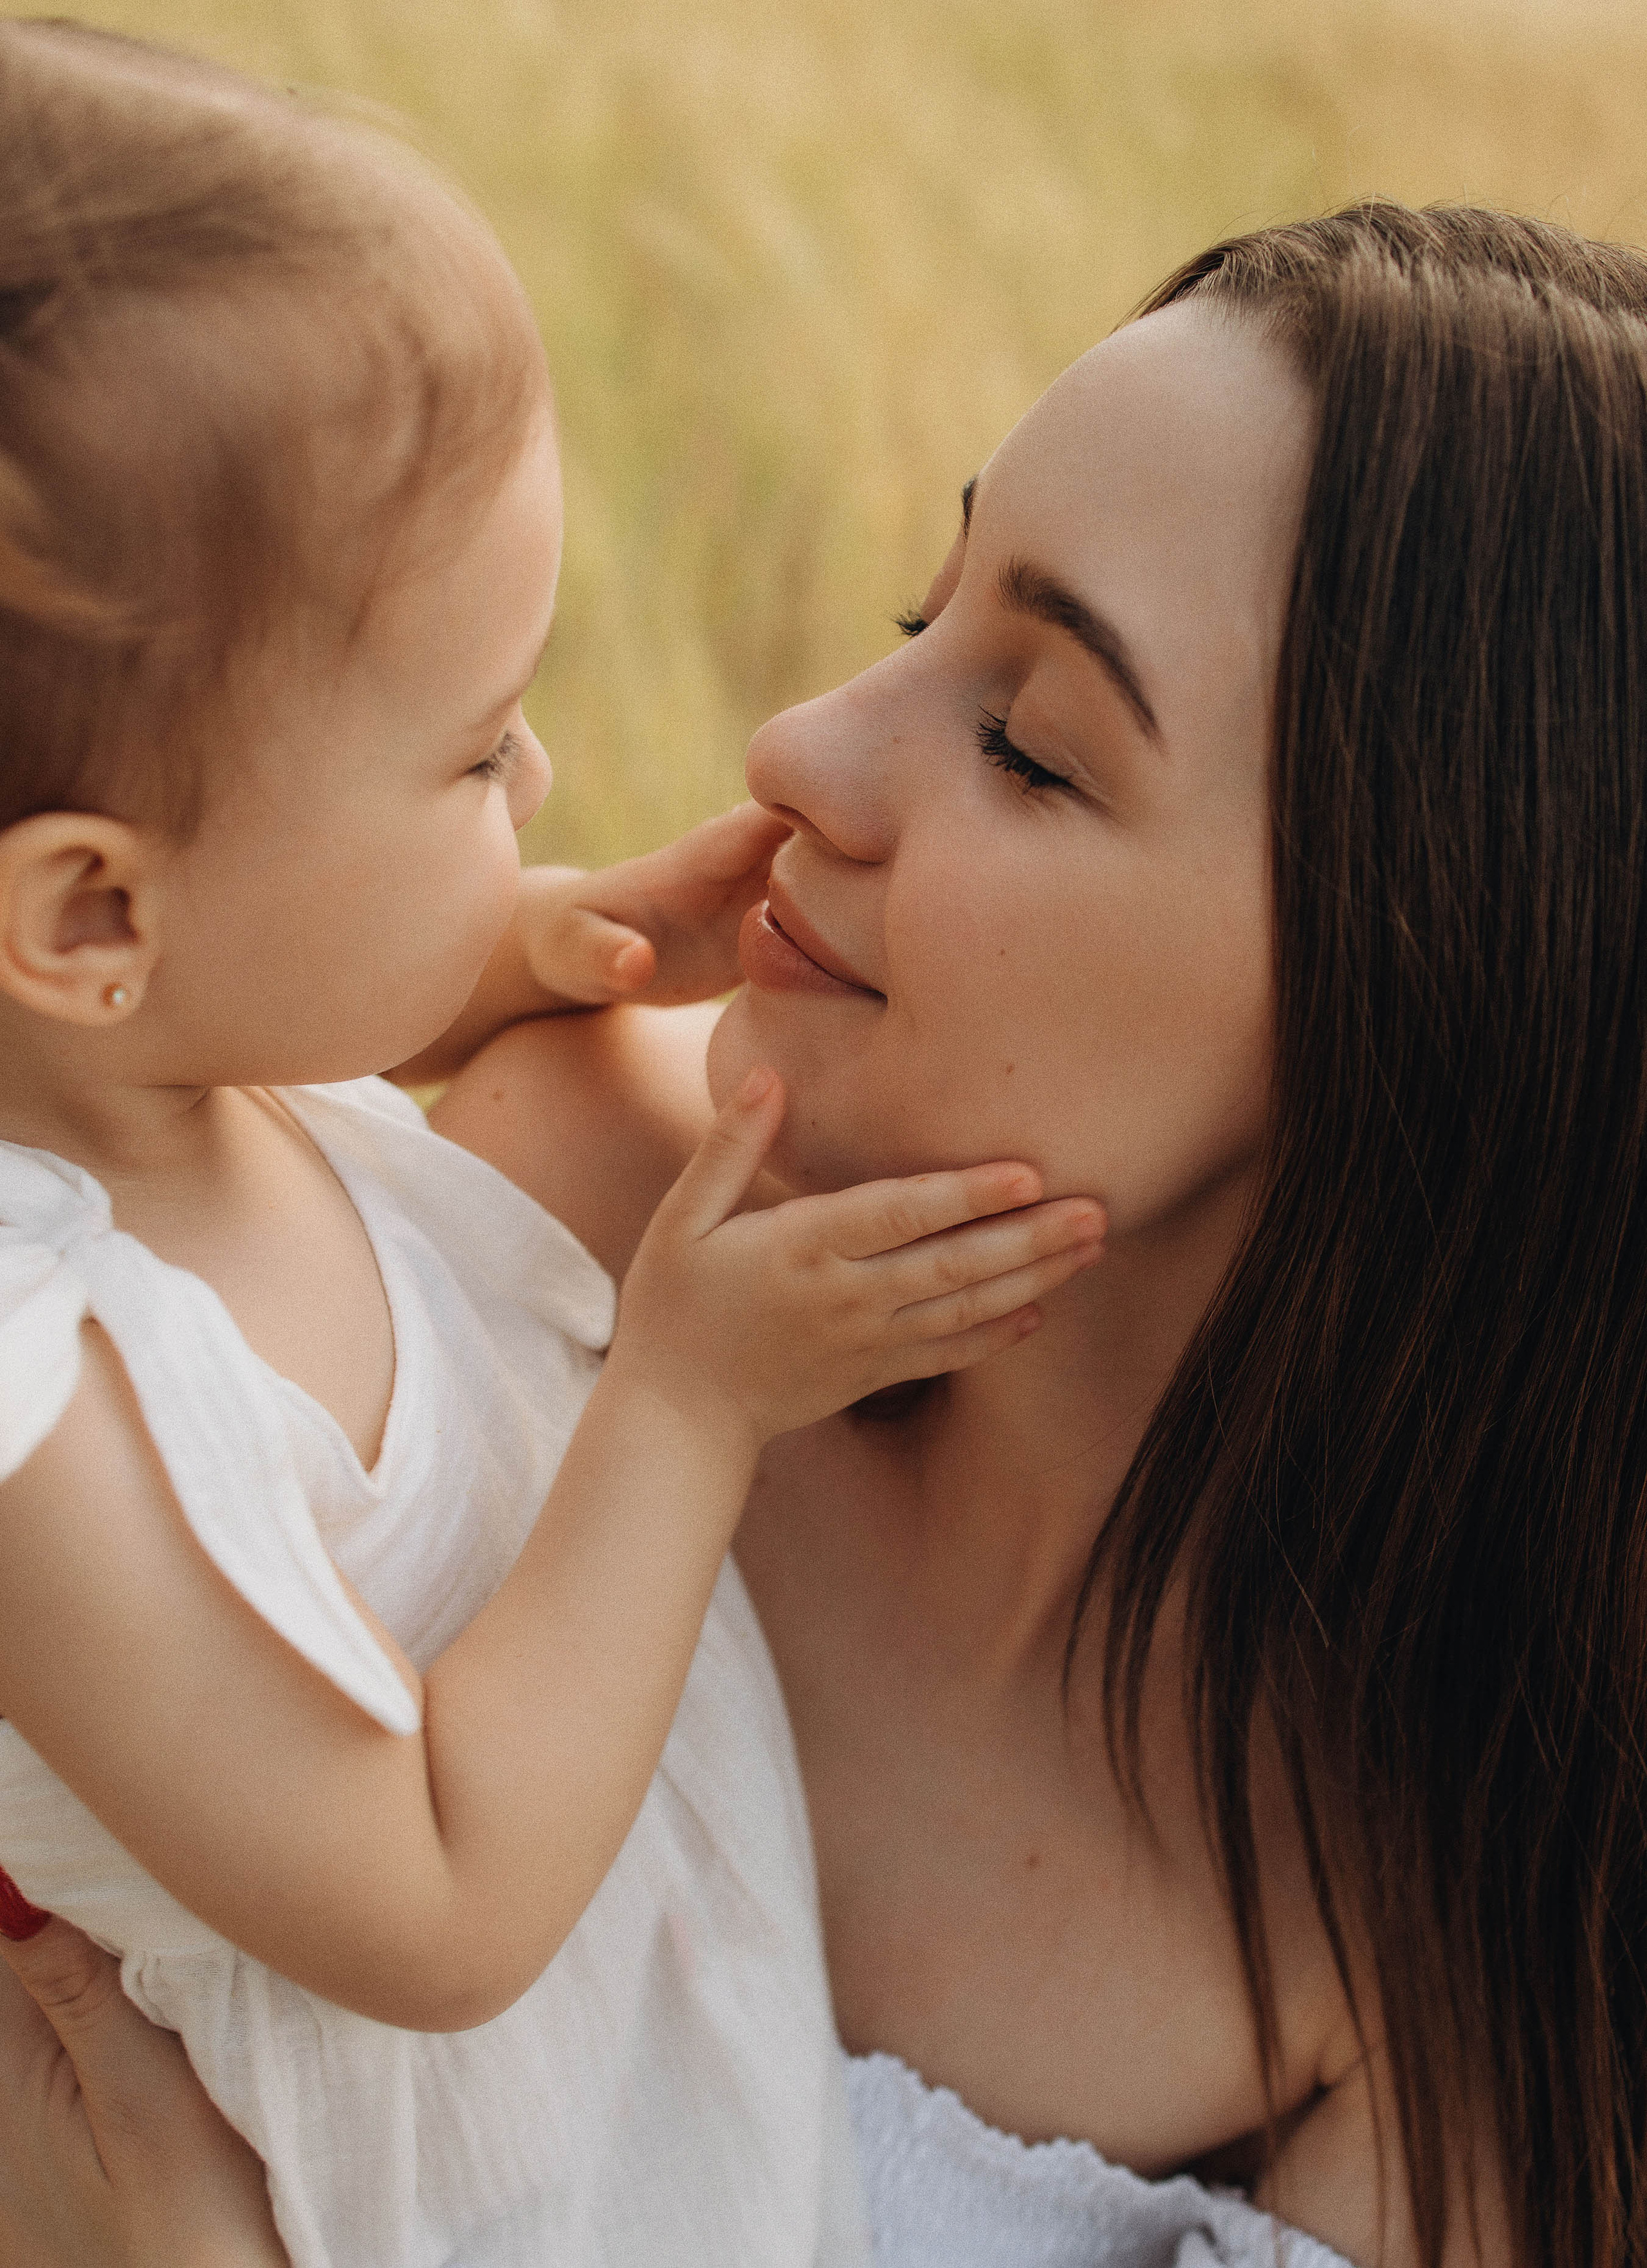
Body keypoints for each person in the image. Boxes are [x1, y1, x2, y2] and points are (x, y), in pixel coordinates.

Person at [3, 192, 1642, 2268]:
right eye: (915, 617)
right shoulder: (522, 1241)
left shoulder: (1474, 1931)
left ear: (1422, 1017)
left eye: (1031, 747)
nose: (799, 753)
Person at [0, 22, 1109, 2268]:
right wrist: (687, 1400)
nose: (543, 778)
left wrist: (536, 943)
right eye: (477, 755)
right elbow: (425, 1898)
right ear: (94, 911)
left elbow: (305, 1003)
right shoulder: (41, 1413)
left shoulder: (146, 1059)